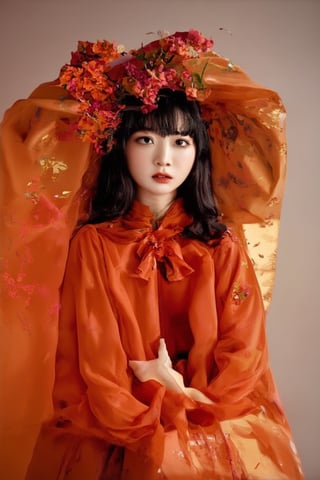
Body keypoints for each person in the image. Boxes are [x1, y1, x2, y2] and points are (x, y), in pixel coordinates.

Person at [0, 30, 303, 479]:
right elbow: (94, 358)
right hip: (114, 425)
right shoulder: (94, 244)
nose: (164, 157)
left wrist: (185, 396)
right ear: (122, 147)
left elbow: (245, 352)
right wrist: (148, 405)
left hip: (209, 418)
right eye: (146, 139)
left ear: (198, 152)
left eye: (181, 142)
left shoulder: (222, 245)